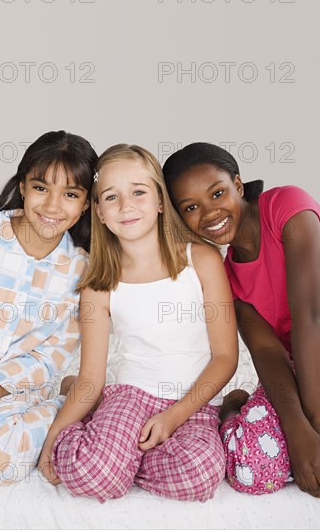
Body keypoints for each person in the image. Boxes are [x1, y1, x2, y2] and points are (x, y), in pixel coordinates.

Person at [38, 144, 238, 503]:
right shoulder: (100, 285)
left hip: (192, 403)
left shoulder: (202, 260)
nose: (126, 206)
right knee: (91, 475)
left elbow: (226, 357)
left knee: (199, 476)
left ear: (161, 201)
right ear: (98, 212)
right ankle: (106, 444)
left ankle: (121, 458)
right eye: (111, 197)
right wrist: (52, 437)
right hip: (131, 395)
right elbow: (91, 378)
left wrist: (173, 418)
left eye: (138, 192)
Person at [162, 142, 320, 498]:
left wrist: (317, 424)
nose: (209, 212)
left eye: (217, 192)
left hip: (316, 345)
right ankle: (232, 410)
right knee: (254, 474)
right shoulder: (227, 275)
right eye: (190, 207)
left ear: (238, 184)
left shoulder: (287, 208)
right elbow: (267, 351)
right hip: (300, 367)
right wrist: (297, 431)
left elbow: (310, 316)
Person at [0, 130, 98, 486]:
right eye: (41, 188)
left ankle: (63, 402)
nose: (52, 206)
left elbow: (49, 356)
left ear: (85, 203)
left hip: (12, 391)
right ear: (22, 186)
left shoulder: (82, 272)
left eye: (70, 194)